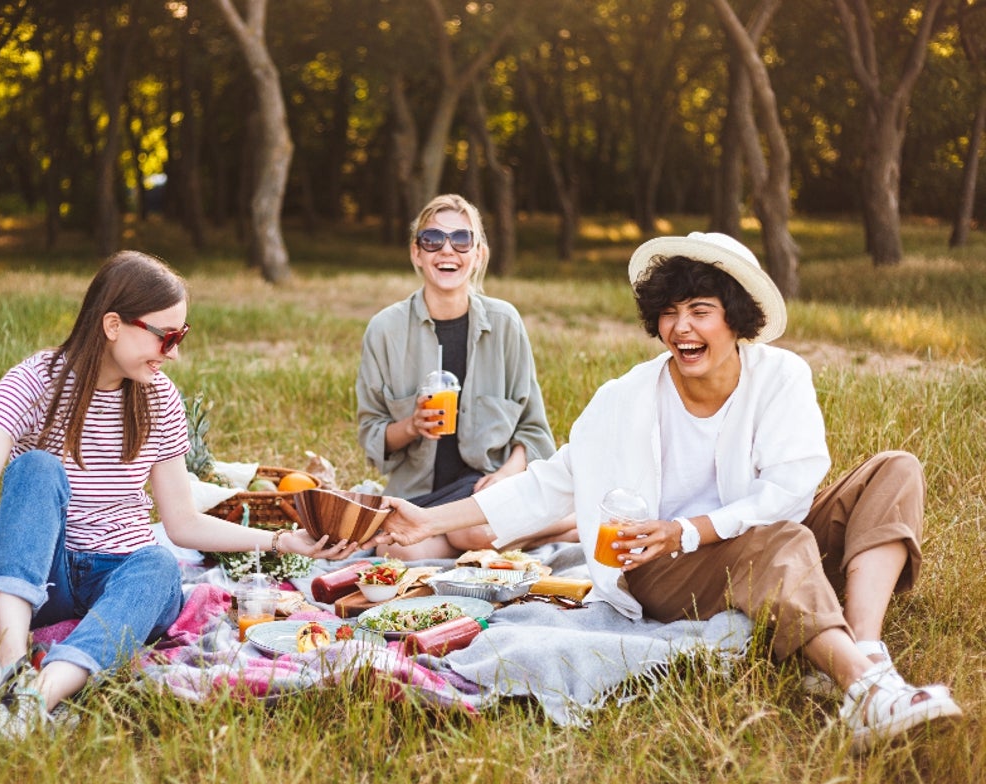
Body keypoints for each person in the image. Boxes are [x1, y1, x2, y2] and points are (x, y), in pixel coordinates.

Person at [377, 232, 962, 751]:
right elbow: (548, 486)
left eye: (701, 311)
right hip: (661, 568)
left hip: (747, 541)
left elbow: (790, 490)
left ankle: (868, 656)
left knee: (896, 468)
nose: (682, 328)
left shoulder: (781, 378)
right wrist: (428, 522)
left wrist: (692, 528)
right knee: (777, 540)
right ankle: (863, 686)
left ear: (735, 318)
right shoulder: (624, 398)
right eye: (669, 312)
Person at [0, 250, 353, 739]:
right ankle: (10, 665)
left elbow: (183, 523)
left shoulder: (159, 398)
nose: (174, 353)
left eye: (182, 336)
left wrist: (281, 542)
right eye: (166, 336)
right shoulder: (33, 382)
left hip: (119, 573)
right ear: (113, 324)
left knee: (158, 565)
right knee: (35, 468)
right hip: (38, 575)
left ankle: (37, 696)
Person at [356, 193, 576, 559]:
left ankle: (559, 524)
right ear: (417, 253)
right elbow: (371, 436)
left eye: (462, 239)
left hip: (487, 489)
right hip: (420, 497)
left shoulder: (505, 323)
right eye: (432, 239)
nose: (447, 250)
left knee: (474, 527)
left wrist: (506, 476)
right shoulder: (385, 330)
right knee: (402, 554)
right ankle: (565, 529)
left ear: (479, 255)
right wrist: (412, 426)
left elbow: (533, 430)